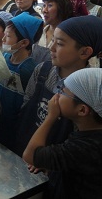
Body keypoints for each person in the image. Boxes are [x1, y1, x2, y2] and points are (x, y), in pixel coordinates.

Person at [15, 15, 102, 157]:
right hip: (26, 145)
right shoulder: (43, 70)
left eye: (60, 44)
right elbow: (26, 103)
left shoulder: (89, 90)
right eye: (53, 40)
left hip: (56, 160)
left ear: (85, 52)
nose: (51, 47)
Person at [23, 68, 102, 199]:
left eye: (63, 92)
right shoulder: (91, 136)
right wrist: (52, 167)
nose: (57, 96)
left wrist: (50, 117)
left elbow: (30, 155)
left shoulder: (85, 147)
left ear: (82, 110)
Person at [0, 12, 44, 152]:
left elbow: (28, 106)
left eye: (8, 36)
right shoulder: (4, 57)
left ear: (24, 42)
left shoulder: (28, 69)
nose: (3, 39)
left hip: (12, 128)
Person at [31, 0, 75, 65]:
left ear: (61, 8)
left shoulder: (70, 36)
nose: (44, 10)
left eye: (50, 5)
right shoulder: (39, 30)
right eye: (44, 5)